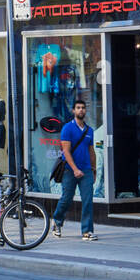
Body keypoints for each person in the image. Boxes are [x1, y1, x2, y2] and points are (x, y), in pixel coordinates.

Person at [51, 99, 98, 242]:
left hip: (86, 170)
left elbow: (91, 151)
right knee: (66, 199)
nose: (81, 110)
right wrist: (75, 169)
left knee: (88, 201)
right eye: (78, 108)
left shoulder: (89, 130)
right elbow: (66, 151)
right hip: (69, 170)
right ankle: (57, 222)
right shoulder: (67, 128)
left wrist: (94, 169)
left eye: (83, 107)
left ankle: (87, 231)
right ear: (73, 111)